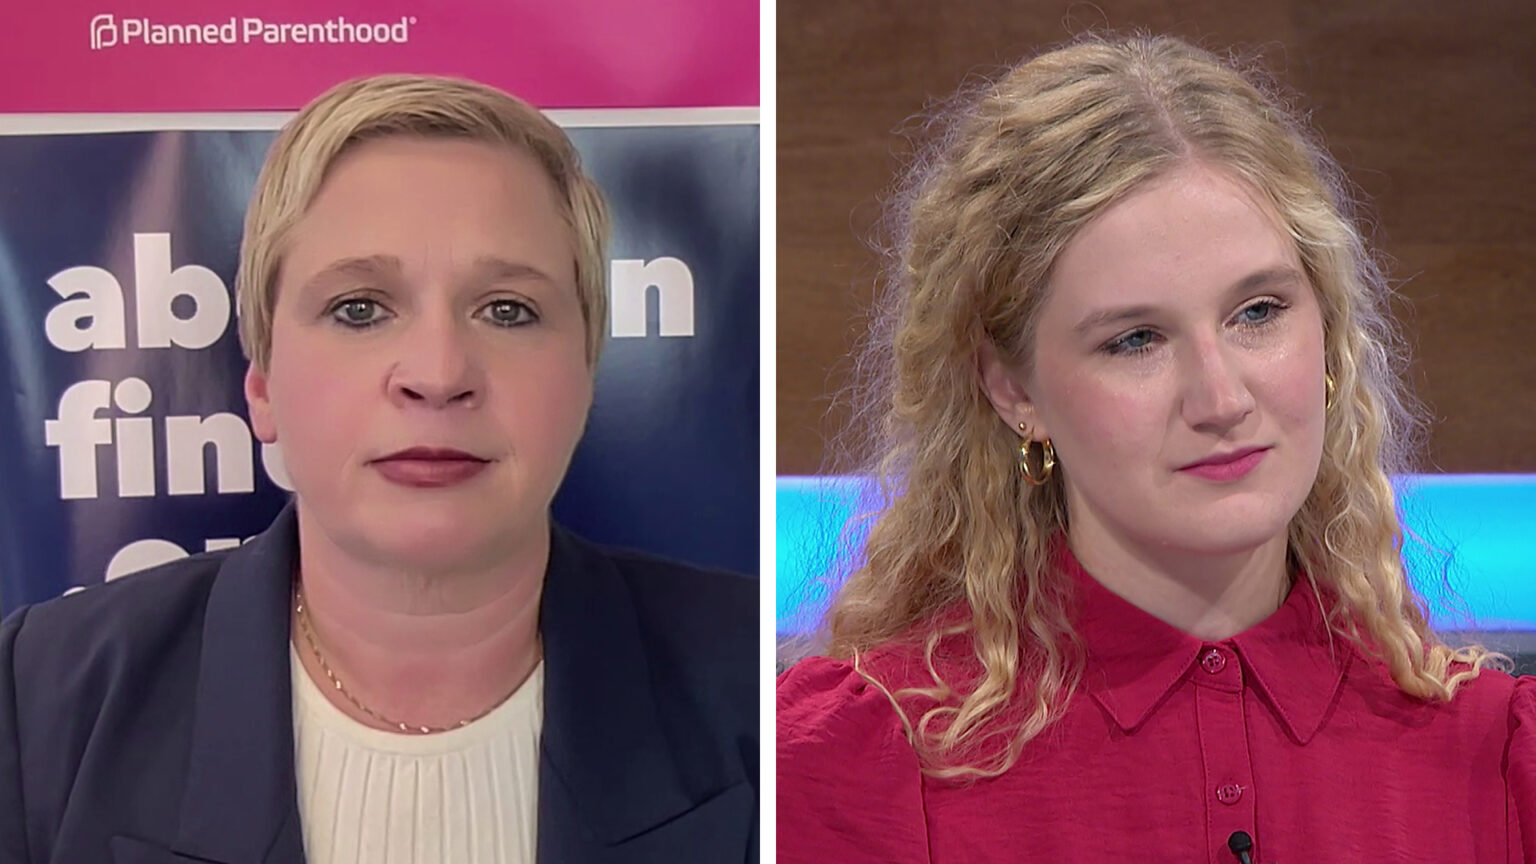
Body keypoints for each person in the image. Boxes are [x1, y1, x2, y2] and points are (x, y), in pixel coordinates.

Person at [777, 33, 1534, 862]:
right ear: (1012, 390)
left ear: (1328, 330)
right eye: (1136, 339)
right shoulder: (848, 766)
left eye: (1259, 313)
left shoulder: (1496, 759)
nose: (1221, 399)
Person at [0, 74, 757, 864]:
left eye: (507, 309)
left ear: (587, 375)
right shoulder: (40, 705)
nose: (437, 371)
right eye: (359, 308)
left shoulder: (754, 687)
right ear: (262, 388)